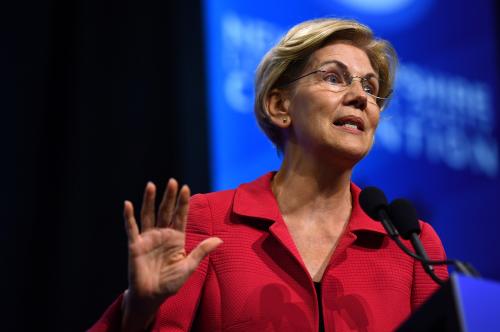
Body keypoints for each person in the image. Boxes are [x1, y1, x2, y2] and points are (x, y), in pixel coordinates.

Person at [90, 18, 448, 332]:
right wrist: (138, 312)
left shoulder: (411, 245)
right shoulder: (209, 223)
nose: (360, 97)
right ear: (280, 105)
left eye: (370, 87)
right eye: (335, 78)